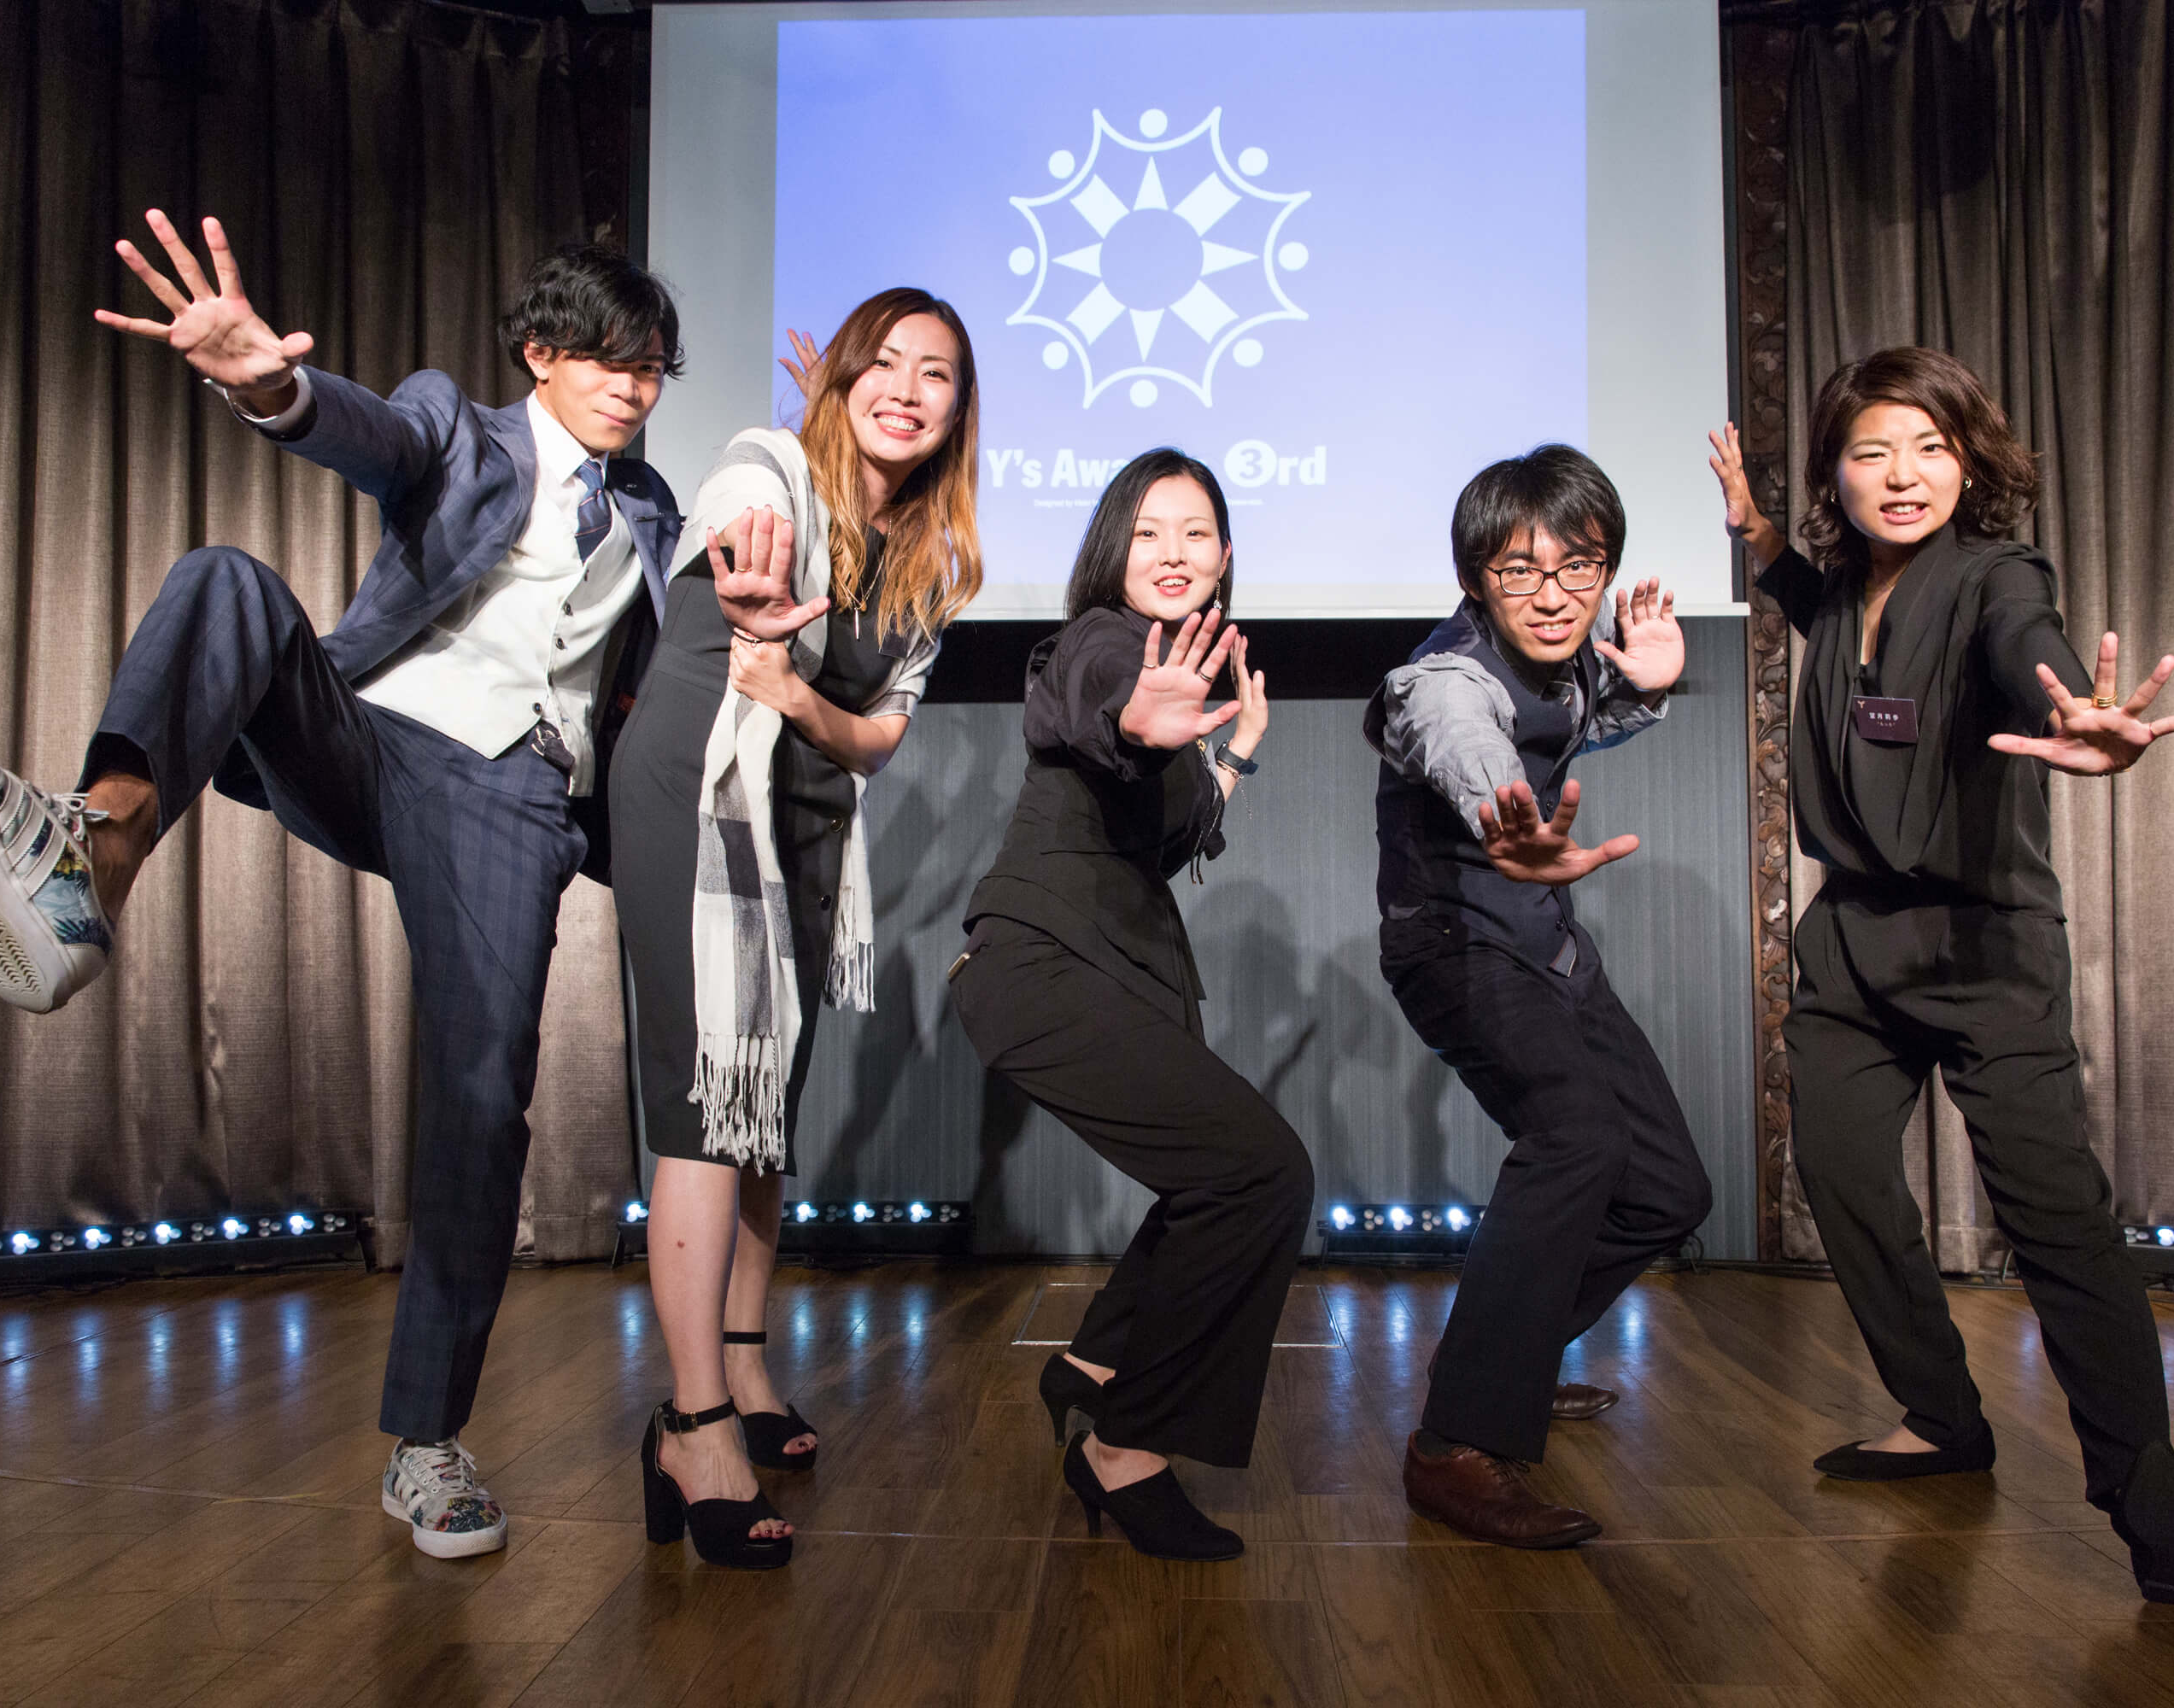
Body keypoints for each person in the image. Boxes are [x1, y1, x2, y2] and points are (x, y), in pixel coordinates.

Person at [0, 214, 685, 1559]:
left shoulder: (653, 512)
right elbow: (377, 436)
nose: (634, 390)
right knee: (228, 582)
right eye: (610, 360)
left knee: (481, 1103)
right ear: (542, 353)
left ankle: (426, 1444)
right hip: (376, 736)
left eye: (651, 369)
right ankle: (90, 857)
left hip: (515, 799)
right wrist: (272, 388)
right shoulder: (461, 428)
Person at [1709, 345, 2174, 1603]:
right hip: (1852, 946)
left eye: (1929, 449)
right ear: (1836, 472)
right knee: (1840, 1173)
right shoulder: (1843, 591)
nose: (1903, 474)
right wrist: (1759, 537)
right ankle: (1941, 1415)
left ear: (1968, 462)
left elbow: (2025, 647)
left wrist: (2075, 717)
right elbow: (1815, 607)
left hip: (1983, 947)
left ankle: (2141, 1474)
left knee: (2054, 1216)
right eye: (1873, 451)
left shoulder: (2000, 576)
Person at [613, 289, 983, 1570]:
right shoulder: (767, 465)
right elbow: (740, 535)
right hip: (699, 799)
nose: (907, 390)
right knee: (712, 1104)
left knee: (768, 1104)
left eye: (936, 374)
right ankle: (692, 1421)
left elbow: (874, 739)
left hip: (812, 817)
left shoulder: (934, 561)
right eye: (884, 363)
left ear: (960, 411)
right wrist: (759, 607)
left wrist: (794, 689)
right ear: (838, 378)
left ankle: (746, 1363)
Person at [952, 449, 1310, 1563]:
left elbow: (1167, 828)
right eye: (1148, 532)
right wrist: (1142, 721)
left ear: (1225, 557)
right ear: (1113, 549)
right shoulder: (1101, 645)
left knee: (1217, 1182)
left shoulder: (1176, 682)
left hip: (1095, 966)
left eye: (1195, 534)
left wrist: (1228, 755)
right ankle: (1123, 1451)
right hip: (1041, 962)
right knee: (1261, 1175)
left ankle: (1092, 1366)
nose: (1173, 553)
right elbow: (1104, 702)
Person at [1367, 444, 1713, 1548]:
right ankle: (1454, 1443)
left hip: (1550, 948)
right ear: (1476, 579)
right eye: (1520, 571)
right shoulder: (1443, 678)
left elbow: (1578, 713)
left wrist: (1647, 685)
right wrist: (1504, 816)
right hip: (1456, 948)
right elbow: (1463, 740)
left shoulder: (1568, 657)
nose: (1555, 595)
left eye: (1581, 567)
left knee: (1669, 1191)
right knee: (1575, 1140)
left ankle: (1496, 1358)